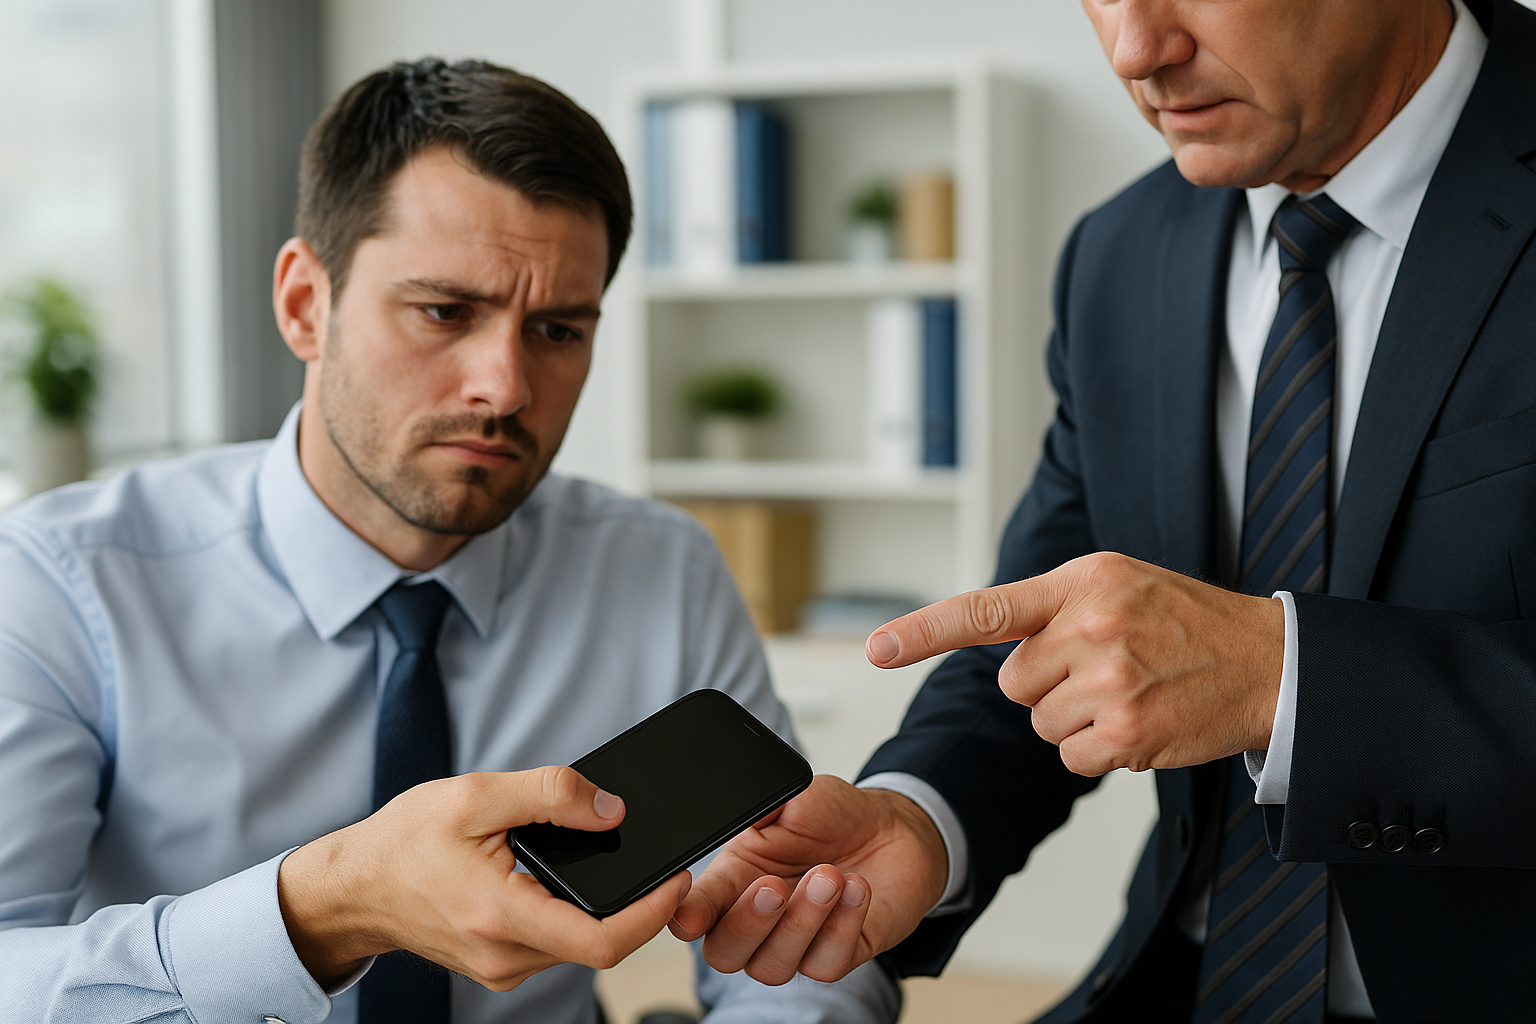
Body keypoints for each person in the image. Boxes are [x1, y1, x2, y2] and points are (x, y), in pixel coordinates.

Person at [671, 0, 1536, 1020]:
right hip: (1178, 976)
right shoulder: (1120, 255)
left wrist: (1284, 678)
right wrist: (916, 818)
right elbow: (1043, 634)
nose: (1137, 51)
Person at [0, 59, 897, 1024]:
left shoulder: (661, 570)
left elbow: (794, 940)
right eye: (445, 312)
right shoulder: (62, 583)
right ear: (306, 303)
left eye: (557, 330)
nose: (503, 386)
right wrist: (322, 908)